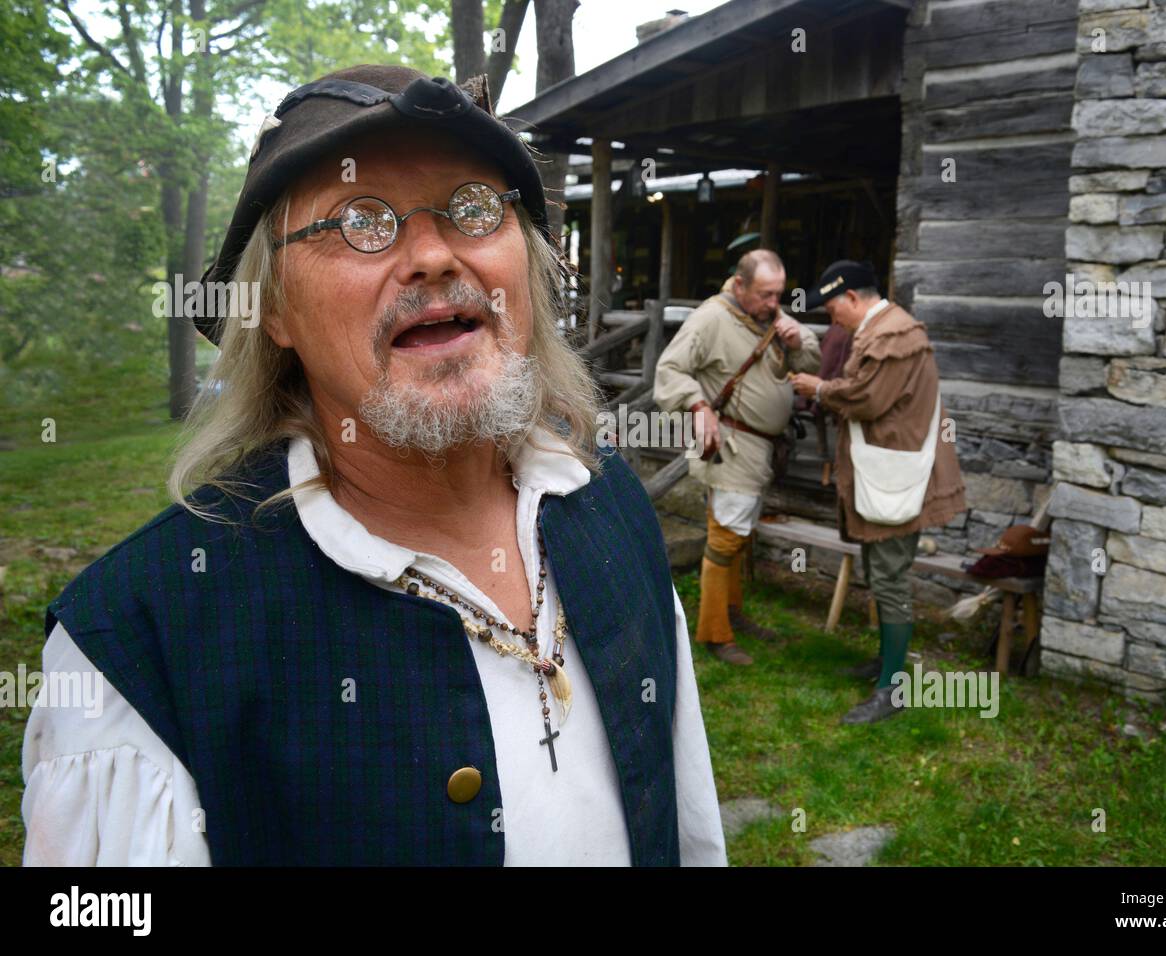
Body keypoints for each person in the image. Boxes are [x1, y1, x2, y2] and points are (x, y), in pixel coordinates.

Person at [21, 64, 726, 866]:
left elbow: (688, 827)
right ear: (275, 308)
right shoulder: (139, 646)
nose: (431, 256)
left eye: (472, 208)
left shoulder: (612, 507)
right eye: (360, 220)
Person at [791, 260, 966, 723]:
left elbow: (868, 398)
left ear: (852, 298)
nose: (833, 321)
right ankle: (887, 665)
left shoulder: (893, 334)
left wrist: (820, 387)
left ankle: (894, 687)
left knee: (890, 580)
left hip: (897, 477)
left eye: (832, 309)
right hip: (888, 473)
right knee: (881, 572)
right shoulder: (885, 330)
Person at [654, 251, 821, 665]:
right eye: (765, 294)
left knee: (738, 534)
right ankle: (714, 633)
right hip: (732, 445)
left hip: (761, 448)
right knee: (726, 536)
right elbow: (670, 370)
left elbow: (809, 360)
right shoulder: (711, 318)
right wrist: (698, 406)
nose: (773, 302)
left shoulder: (771, 317)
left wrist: (800, 342)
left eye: (778, 294)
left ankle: (731, 613)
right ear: (740, 285)